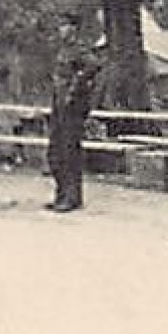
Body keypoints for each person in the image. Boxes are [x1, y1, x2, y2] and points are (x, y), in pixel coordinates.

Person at [47, 14, 103, 213]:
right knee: (55, 152)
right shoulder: (63, 50)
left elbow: (94, 65)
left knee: (69, 152)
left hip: (72, 107)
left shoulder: (79, 49)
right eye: (60, 26)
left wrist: (76, 84)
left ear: (73, 29)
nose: (61, 30)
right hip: (59, 105)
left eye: (64, 26)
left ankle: (72, 198)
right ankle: (61, 194)